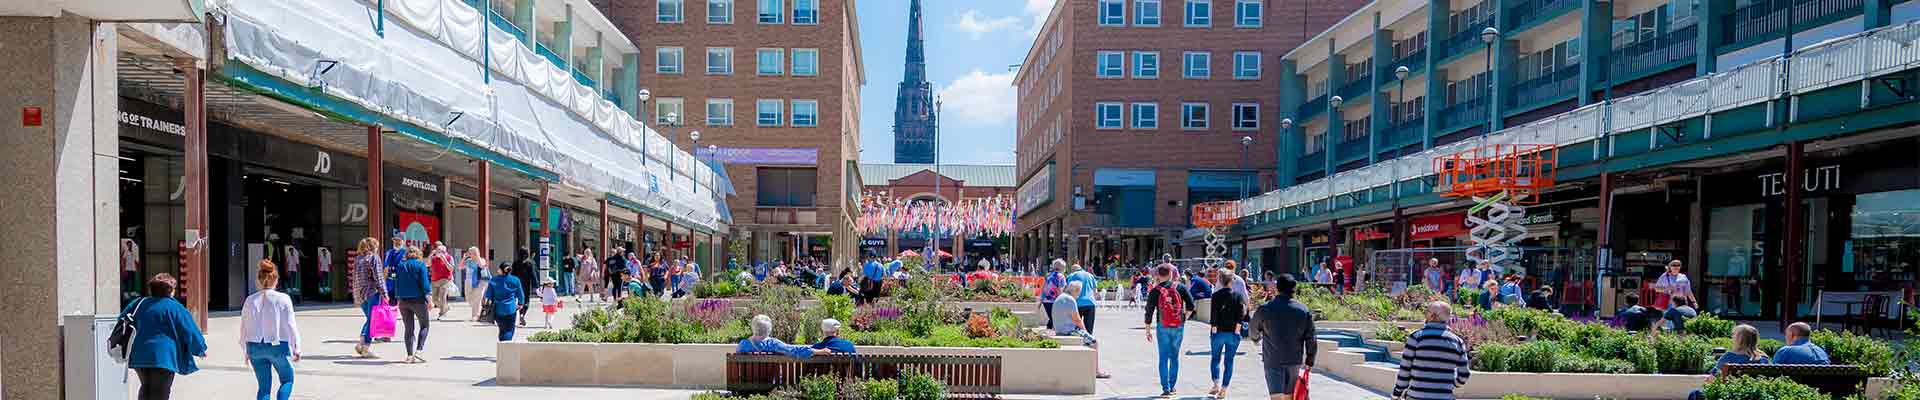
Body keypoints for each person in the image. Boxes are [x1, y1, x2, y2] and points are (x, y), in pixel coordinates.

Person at [120, 273, 208, 400]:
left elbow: (121, 321)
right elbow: (190, 331)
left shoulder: (138, 304)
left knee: (146, 387)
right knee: (160, 391)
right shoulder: (174, 307)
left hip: (140, 356)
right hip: (164, 358)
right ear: (170, 290)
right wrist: (200, 349)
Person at [240, 260, 300, 400]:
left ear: (258, 280)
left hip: (254, 346)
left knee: (263, 387)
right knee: (287, 379)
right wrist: (296, 347)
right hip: (277, 346)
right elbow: (291, 325)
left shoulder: (249, 300)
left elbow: (244, 327)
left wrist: (245, 350)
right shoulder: (284, 299)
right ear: (276, 280)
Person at [1251, 273, 1316, 400]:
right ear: (1294, 289)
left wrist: (1256, 338)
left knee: (1276, 397)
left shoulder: (1265, 309)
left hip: (1272, 360)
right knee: (1290, 397)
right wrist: (1310, 359)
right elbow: (1311, 338)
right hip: (1294, 360)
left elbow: (1254, 329)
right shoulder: (1303, 310)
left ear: (1277, 288)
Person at [1391, 302, 1473, 400]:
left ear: (1432, 316)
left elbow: (1405, 370)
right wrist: (1452, 384)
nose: (1425, 314)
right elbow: (1464, 374)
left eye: (1426, 311)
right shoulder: (1457, 342)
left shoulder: (1416, 337)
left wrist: (1397, 392)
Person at [1144, 264, 1194, 398]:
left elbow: (1149, 311)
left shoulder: (1155, 291)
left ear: (1158, 275)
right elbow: (1191, 306)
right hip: (1178, 326)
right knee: (1174, 357)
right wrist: (1183, 319)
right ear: (1171, 274)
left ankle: (1165, 389)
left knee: (1163, 357)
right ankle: (1172, 387)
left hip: (1163, 326)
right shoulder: (1180, 287)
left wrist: (1148, 329)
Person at [1687, 324, 1772, 400]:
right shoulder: (1764, 358)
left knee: (1694, 394)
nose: (1732, 337)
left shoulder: (1729, 356)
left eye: (1734, 335)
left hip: (1730, 395)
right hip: (1756, 395)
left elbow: (1711, 379)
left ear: (1740, 339)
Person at [1051, 281, 1112, 379]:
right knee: (1094, 342)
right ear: (1075, 290)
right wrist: (1086, 332)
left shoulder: (1060, 297)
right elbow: (1077, 319)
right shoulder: (1070, 300)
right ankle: (1096, 371)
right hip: (1068, 331)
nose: (1078, 296)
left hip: (1059, 330)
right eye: (1079, 293)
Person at [1208, 267, 1247, 399]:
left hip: (1218, 331)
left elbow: (1213, 314)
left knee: (1215, 359)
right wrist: (1237, 329)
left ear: (1220, 280)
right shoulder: (1238, 296)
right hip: (1232, 332)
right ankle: (1224, 389)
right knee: (1229, 361)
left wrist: (1214, 328)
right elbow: (1240, 315)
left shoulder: (1215, 296)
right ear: (1231, 281)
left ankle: (1216, 383)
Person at [391, 246, 434, 363]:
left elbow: (396, 283)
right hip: (418, 301)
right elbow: (425, 285)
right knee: (424, 325)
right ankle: (419, 351)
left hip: (403, 301)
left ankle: (409, 355)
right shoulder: (421, 265)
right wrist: (430, 300)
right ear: (418, 254)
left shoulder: (400, 266)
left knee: (408, 328)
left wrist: (397, 298)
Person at [348, 238, 388, 358]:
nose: (378, 248)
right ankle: (366, 347)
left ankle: (361, 344)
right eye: (377, 246)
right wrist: (385, 293)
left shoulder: (357, 259)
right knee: (373, 321)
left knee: (370, 319)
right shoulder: (373, 258)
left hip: (361, 294)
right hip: (372, 293)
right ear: (372, 247)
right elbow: (379, 277)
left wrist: (356, 296)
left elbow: (354, 278)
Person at [737, 315, 828, 359]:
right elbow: (793, 351)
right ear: (769, 329)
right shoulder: (773, 344)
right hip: (771, 382)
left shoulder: (743, 344)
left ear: (753, 327)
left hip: (745, 382)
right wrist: (817, 350)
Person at [484, 263, 524, 341]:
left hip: (498, 309)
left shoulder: (493, 280)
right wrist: (520, 303)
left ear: (501, 270)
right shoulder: (515, 280)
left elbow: (489, 296)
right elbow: (520, 294)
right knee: (509, 329)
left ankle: (502, 345)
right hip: (511, 309)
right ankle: (506, 346)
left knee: (502, 329)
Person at [1068, 262, 1101, 333]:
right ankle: (1089, 341)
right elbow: (1095, 291)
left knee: (1076, 327)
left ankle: (1078, 341)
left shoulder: (1071, 275)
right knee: (1089, 328)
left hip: (1077, 303)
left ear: (1073, 270)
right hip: (1090, 303)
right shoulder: (1090, 275)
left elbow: (1068, 290)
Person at [462, 247, 491, 322]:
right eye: (470, 253)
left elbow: (481, 265)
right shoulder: (468, 261)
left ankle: (475, 315)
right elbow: (460, 267)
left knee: (478, 298)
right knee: (468, 298)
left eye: (471, 253)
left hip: (481, 281)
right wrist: (463, 258)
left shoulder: (481, 260)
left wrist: (477, 256)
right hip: (470, 281)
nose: (470, 254)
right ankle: (476, 314)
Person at [427, 243, 454, 319]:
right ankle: (445, 307)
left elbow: (451, 269)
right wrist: (431, 255)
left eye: (440, 250)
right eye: (437, 250)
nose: (438, 252)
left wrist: (444, 260)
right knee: (435, 299)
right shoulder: (434, 258)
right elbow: (427, 264)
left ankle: (442, 313)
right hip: (434, 280)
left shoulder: (449, 257)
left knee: (442, 297)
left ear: (444, 251)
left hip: (445, 279)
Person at [1040, 260, 1068, 329]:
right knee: (1055, 318)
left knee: (1052, 318)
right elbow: (1060, 290)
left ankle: (1048, 331)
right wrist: (1062, 301)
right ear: (1062, 268)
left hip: (1046, 301)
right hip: (1055, 300)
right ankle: (1050, 332)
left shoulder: (1048, 275)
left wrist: (1041, 300)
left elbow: (1043, 288)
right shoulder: (1061, 276)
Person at [513, 248, 536, 326]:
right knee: (526, 301)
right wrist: (536, 285)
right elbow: (533, 275)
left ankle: (518, 313)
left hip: (517, 285)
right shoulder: (530, 263)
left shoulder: (515, 263)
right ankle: (522, 314)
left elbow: (513, 274)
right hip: (526, 284)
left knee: (519, 300)